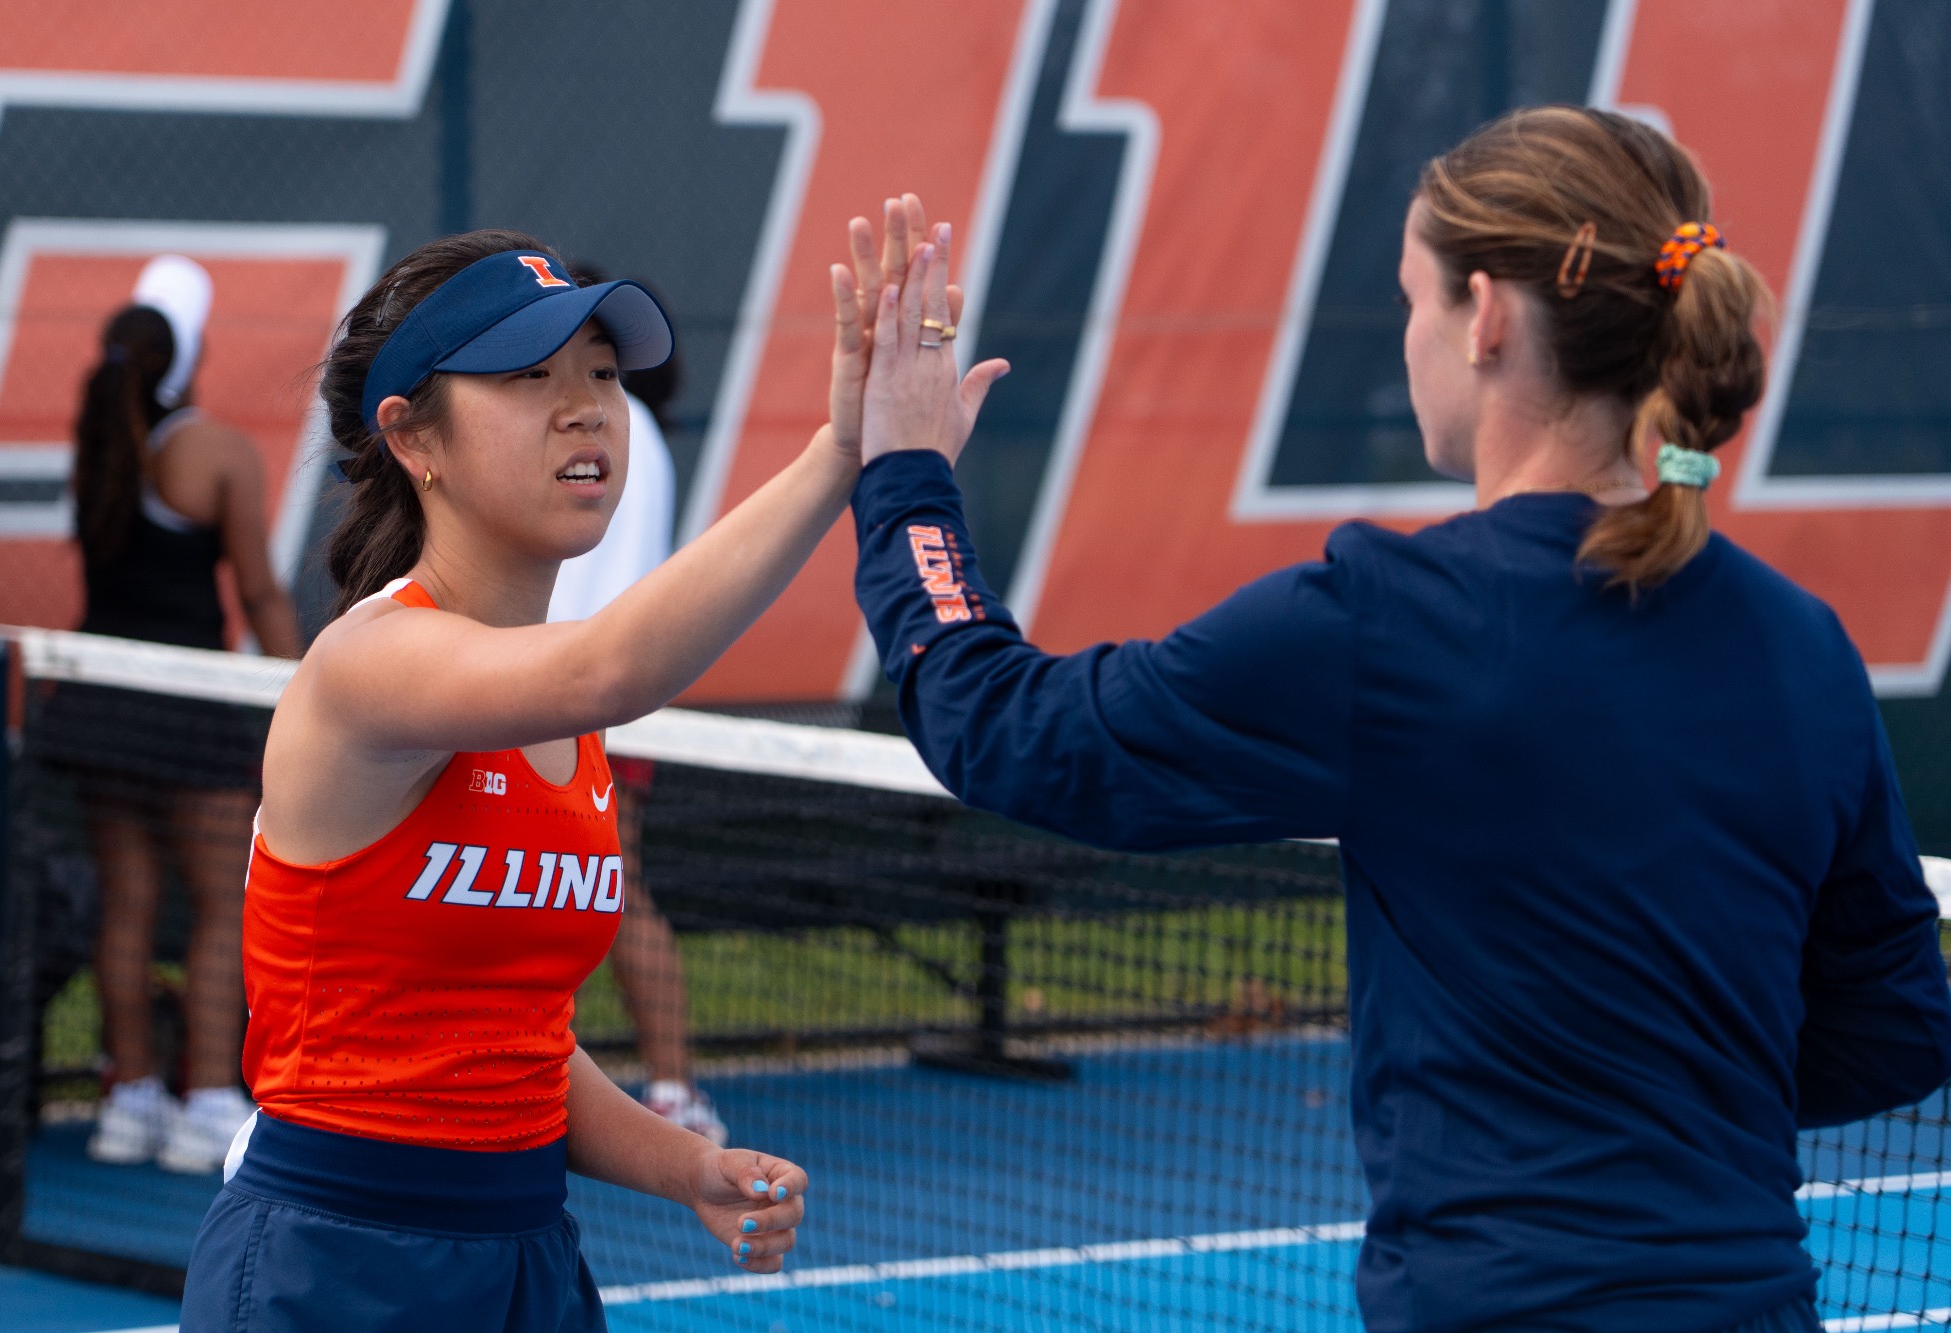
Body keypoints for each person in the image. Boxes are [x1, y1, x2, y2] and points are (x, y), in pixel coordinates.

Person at [845, 113, 1951, 1333]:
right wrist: (1664, 1091)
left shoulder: (1388, 621)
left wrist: (904, 478)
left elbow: (1006, 729)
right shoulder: (1803, 643)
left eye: (1410, 300)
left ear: (1483, 317)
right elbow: (1893, 1030)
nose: (1407, 337)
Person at [180, 209, 933, 1329]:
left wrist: (685, 1166)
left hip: (526, 1255)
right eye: (528, 375)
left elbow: (516, 1045)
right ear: (412, 438)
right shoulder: (370, 667)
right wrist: (839, 452)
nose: (586, 405)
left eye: (598, 370)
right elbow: (610, 666)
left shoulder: (553, 707)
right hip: (332, 1259)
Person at [57, 255, 302, 1174]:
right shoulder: (217, 452)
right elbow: (263, 594)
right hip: (187, 706)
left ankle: (131, 1102)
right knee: (218, 907)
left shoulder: (97, 440)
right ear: (190, 355)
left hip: (95, 699)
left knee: (126, 902)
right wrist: (311, 692)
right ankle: (204, 1100)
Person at [543, 277, 727, 1143]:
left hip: (592, 703)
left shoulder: (611, 433)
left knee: (608, 893)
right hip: (548, 692)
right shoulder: (611, 431)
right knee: (564, 896)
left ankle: (674, 1090)